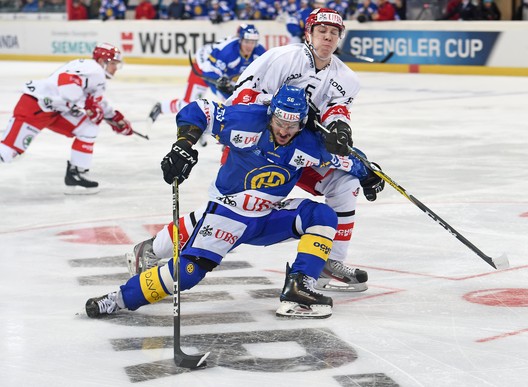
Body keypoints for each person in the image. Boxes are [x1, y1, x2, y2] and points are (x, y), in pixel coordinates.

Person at [127, 8, 385, 294]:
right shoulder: (282, 58)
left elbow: (336, 114)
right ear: (308, 33)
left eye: (334, 33)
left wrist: (342, 133)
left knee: (345, 182)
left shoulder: (347, 79)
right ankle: (153, 247)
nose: (327, 37)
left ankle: (329, 262)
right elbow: (242, 98)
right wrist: (288, 111)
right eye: (321, 31)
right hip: (258, 146)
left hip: (300, 151)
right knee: (228, 212)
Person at [87, 85, 381, 319]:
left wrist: (368, 172)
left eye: (292, 125)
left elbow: (346, 159)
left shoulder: (309, 142)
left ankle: (299, 287)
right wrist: (183, 145)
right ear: (271, 115)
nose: (283, 130)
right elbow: (199, 109)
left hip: (267, 216)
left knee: (323, 215)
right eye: (279, 121)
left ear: (302, 123)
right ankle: (119, 298)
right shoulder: (246, 121)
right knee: (187, 274)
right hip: (227, 214)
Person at [0, 43, 133, 194]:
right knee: (7, 153)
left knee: (88, 127)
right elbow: (67, 81)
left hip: (57, 111)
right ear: (102, 61)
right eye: (113, 64)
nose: (115, 68)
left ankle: (76, 176)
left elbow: (96, 102)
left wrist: (115, 118)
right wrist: (86, 105)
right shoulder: (94, 69)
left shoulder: (95, 75)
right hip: (35, 107)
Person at [147, 24, 266, 125]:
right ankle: (162, 107)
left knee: (235, 102)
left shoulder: (260, 51)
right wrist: (222, 82)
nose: (250, 46)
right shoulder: (227, 51)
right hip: (203, 68)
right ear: (240, 40)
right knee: (188, 105)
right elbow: (209, 71)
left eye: (253, 42)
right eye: (247, 42)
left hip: (223, 73)